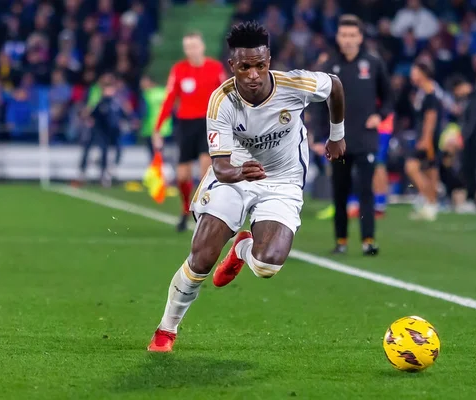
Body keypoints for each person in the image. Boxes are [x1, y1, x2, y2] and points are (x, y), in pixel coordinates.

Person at [147, 21, 347, 352]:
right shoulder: (221, 101)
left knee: (267, 265)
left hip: (282, 180)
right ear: (232, 66)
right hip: (236, 175)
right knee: (203, 255)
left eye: (260, 65)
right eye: (244, 67)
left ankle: (242, 248)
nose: (253, 74)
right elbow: (221, 166)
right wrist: (239, 172)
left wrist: (337, 135)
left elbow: (335, 86)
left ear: (268, 60)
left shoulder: (295, 84)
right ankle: (167, 329)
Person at [316, 15, 393, 255]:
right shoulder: (329, 67)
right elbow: (319, 104)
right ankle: (341, 241)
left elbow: (389, 97)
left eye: (352, 35)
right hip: (338, 141)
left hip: (365, 138)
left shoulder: (373, 63)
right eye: (344, 35)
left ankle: (368, 240)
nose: (348, 40)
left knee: (366, 190)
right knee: (339, 191)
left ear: (360, 37)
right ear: (338, 37)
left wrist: (380, 115)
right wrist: (320, 137)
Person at [153, 31, 227, 232]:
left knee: (205, 172)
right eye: (187, 47)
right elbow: (169, 98)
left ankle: (205, 213)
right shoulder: (179, 69)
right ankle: (185, 209)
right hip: (185, 125)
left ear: (202, 47)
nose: (191, 50)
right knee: (183, 176)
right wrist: (158, 128)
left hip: (208, 124)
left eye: (194, 46)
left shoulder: (215, 68)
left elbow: (227, 96)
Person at [405, 61, 442, 221]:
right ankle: (431, 205)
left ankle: (428, 199)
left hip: (428, 138)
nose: (411, 75)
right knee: (429, 171)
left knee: (411, 167)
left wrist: (426, 139)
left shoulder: (430, 92)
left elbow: (431, 117)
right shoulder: (421, 92)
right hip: (426, 137)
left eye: (414, 71)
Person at [450, 75, 476, 214]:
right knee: (467, 170)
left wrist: (462, 138)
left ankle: (472, 200)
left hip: (475, 142)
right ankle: (469, 199)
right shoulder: (470, 100)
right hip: (471, 141)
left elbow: (473, 123)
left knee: (472, 170)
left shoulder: (475, 99)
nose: (457, 95)